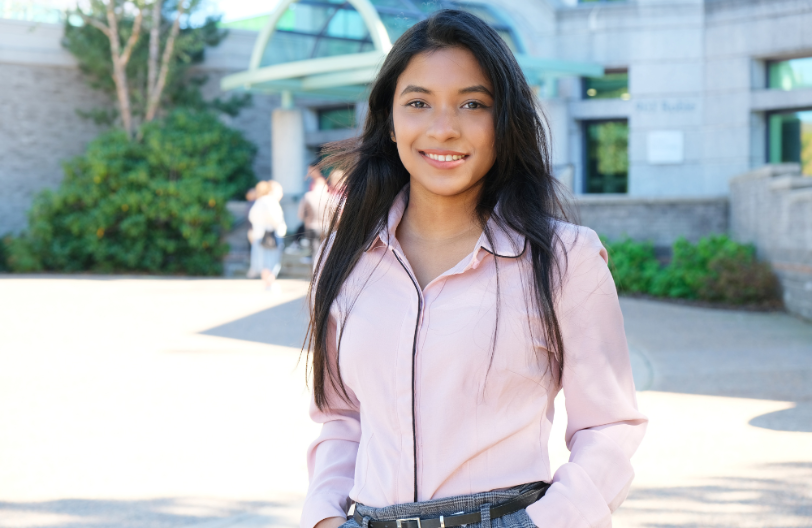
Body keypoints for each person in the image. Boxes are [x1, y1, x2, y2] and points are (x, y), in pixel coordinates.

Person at [302, 10, 647, 528]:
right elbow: (341, 417)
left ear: (503, 121)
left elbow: (610, 424)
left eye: (472, 104)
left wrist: (544, 523)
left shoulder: (564, 260)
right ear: (390, 121)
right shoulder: (343, 257)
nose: (444, 128)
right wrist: (324, 518)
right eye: (418, 102)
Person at [247, 180, 287, 289]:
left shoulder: (259, 201)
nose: (281, 194)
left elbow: (251, 217)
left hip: (260, 235)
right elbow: (276, 219)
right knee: (271, 261)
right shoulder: (270, 201)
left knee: (263, 261)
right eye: (280, 191)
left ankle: (268, 283)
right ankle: (270, 283)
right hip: (270, 235)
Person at [298, 169, 332, 265]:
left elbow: (300, 214)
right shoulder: (330, 197)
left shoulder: (308, 196)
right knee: (326, 251)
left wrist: (306, 220)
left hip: (311, 226)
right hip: (327, 227)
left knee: (314, 251)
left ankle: (314, 274)